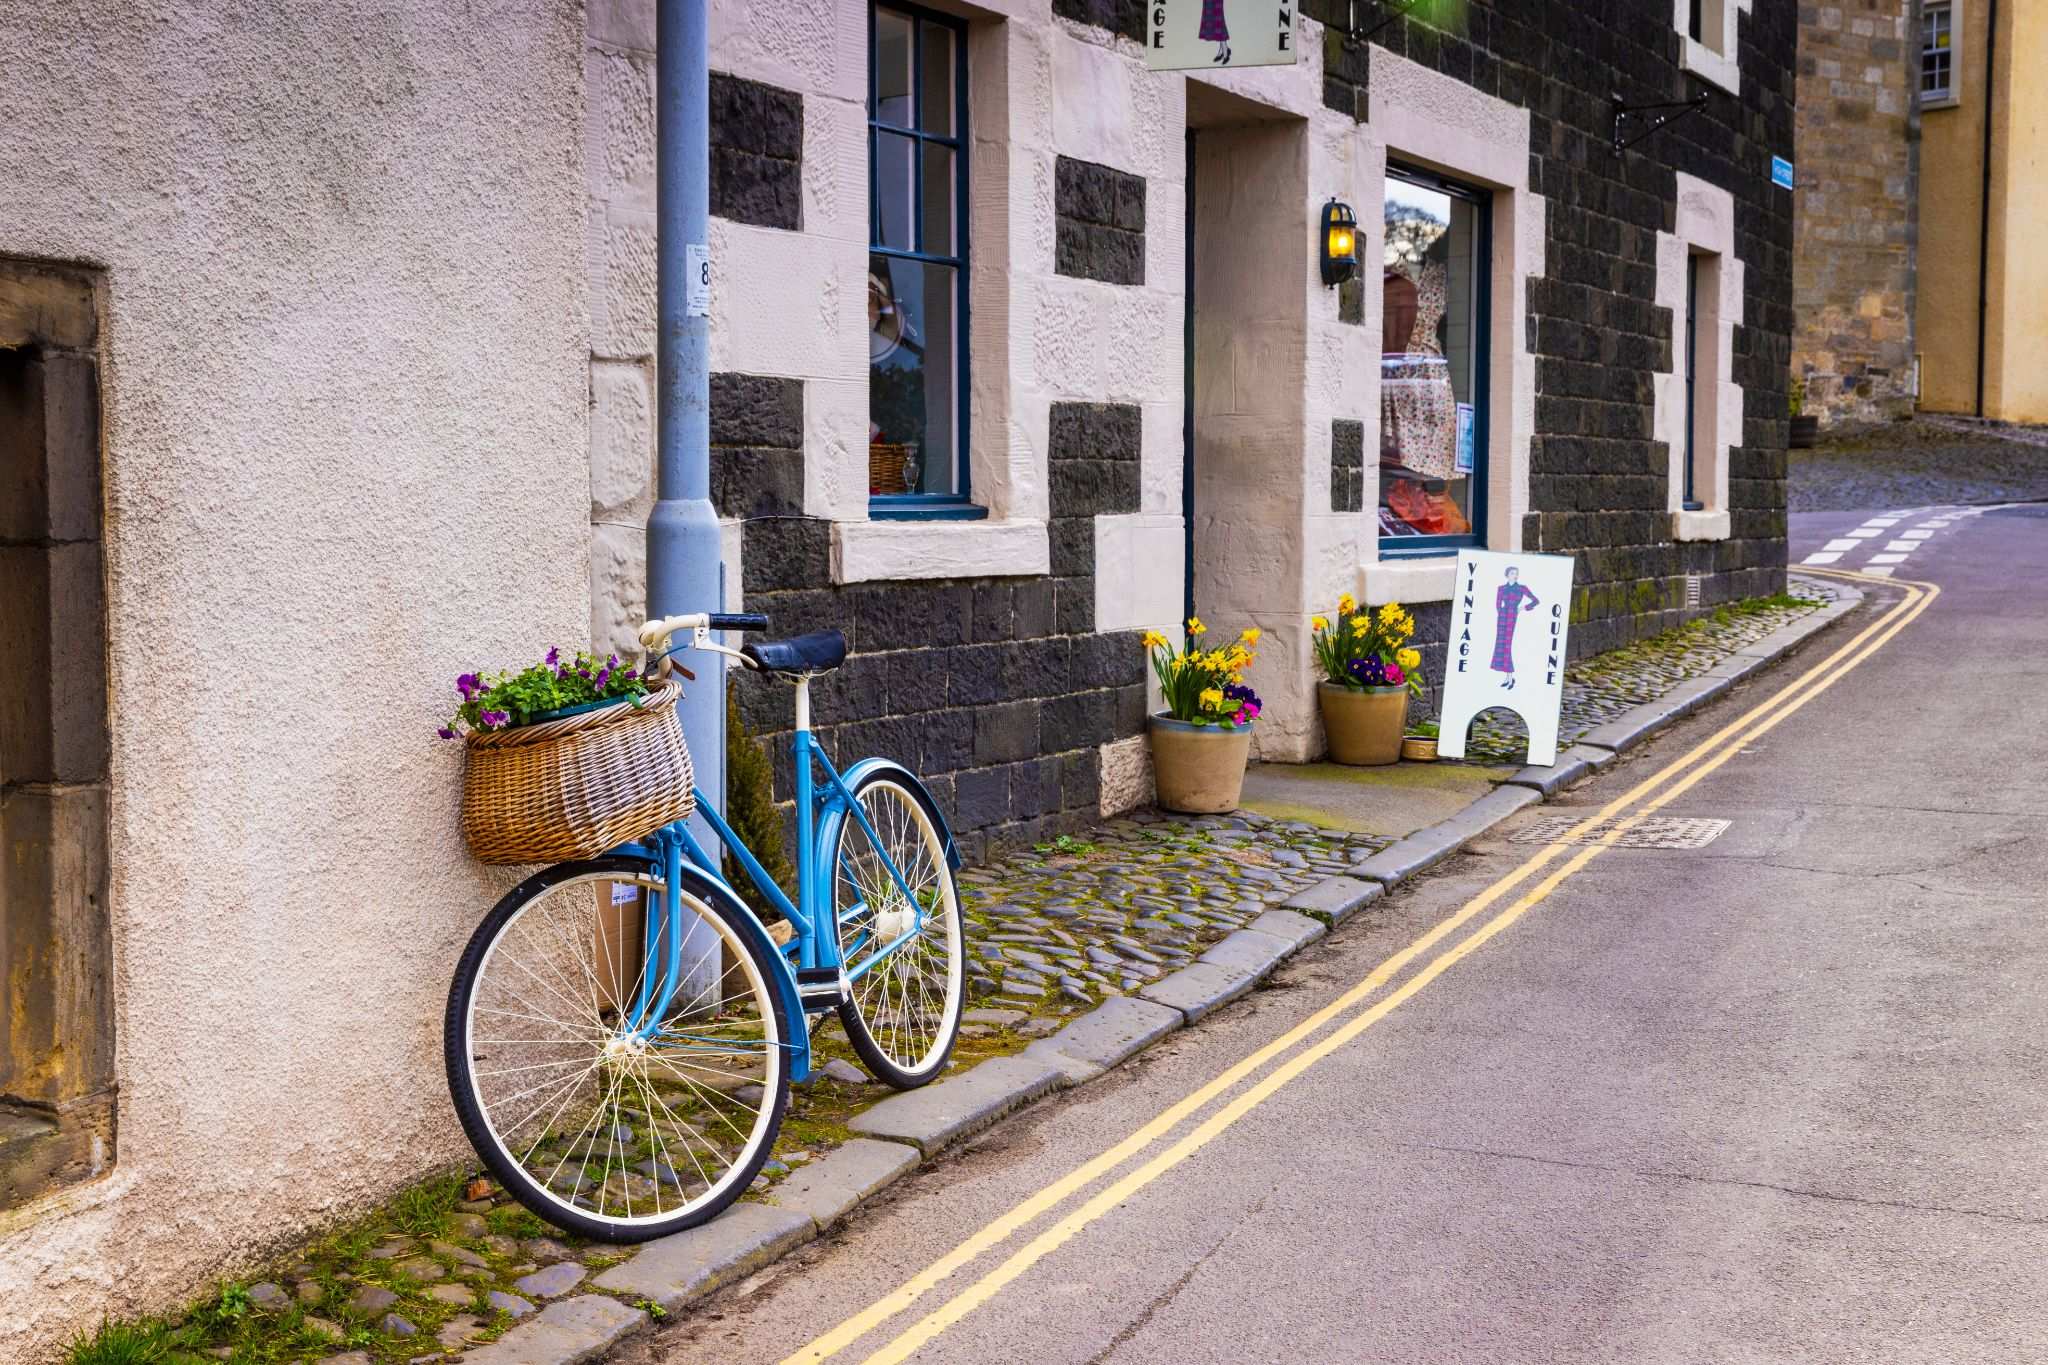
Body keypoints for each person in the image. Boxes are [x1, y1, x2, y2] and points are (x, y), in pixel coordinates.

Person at [1492, 566, 1540, 689]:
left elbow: (1535, 600)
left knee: (1507, 645)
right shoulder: (1501, 588)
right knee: (1501, 644)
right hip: (1502, 617)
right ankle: (1508, 678)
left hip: (1512, 616)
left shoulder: (1521, 588)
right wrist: (1501, 612)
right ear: (1507, 574)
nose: (1515, 575)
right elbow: (1497, 604)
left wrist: (1522, 608)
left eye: (1516, 573)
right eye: (1513, 573)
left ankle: (1510, 677)